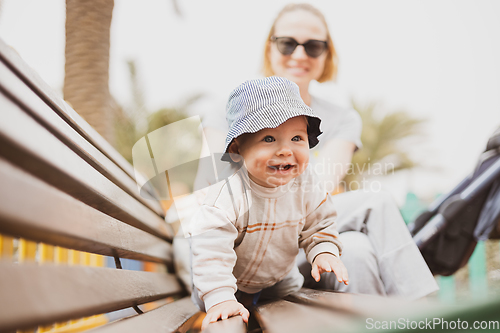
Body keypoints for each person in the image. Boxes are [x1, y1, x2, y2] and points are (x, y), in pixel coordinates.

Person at [174, 3, 438, 300]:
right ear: (269, 48)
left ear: (327, 55)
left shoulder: (343, 119)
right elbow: (221, 184)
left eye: (313, 46)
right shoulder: (231, 110)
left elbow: (316, 192)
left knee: (357, 251)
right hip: (232, 247)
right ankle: (426, 307)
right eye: (287, 43)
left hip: (292, 242)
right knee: (375, 202)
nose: (299, 54)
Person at [190, 77, 348, 330]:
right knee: (224, 318)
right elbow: (211, 251)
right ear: (237, 148)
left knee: (292, 313)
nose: (285, 150)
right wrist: (219, 298)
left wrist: (324, 250)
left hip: (279, 278)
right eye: (269, 139)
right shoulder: (228, 194)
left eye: (297, 138)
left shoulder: (307, 185)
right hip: (223, 281)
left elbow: (319, 224)